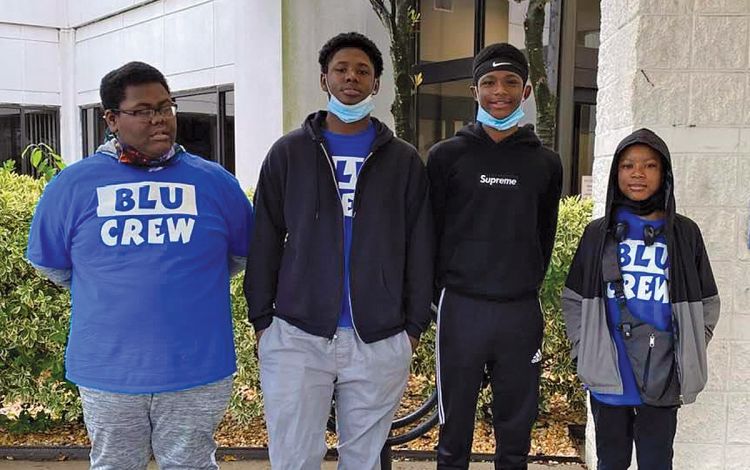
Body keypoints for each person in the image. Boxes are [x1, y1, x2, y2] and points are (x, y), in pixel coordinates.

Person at [26, 61, 253, 470]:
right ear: (111, 118)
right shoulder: (73, 185)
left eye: (166, 107)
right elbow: (54, 266)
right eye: (143, 110)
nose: (159, 119)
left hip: (197, 367)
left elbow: (239, 256)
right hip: (109, 369)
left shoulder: (216, 182)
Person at [245, 32, 434, 470]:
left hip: (380, 336)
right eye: (341, 70)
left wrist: (412, 327)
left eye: (363, 71)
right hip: (296, 333)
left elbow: (421, 244)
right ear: (324, 80)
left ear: (376, 84)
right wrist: (262, 321)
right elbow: (266, 239)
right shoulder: (289, 153)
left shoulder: (404, 161)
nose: (351, 78)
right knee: (294, 456)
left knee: (364, 460)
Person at [427, 43, 563, 469]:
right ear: (474, 90)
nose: (499, 91)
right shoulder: (446, 156)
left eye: (510, 82)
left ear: (525, 92)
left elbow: (545, 233)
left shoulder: (546, 163)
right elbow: (430, 231)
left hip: (519, 311)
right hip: (461, 309)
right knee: (454, 435)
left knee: (516, 432)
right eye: (489, 82)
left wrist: (519, 281)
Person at [562, 128, 721, 470]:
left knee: (657, 462)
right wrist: (583, 350)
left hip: (663, 373)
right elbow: (573, 298)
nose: (638, 173)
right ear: (616, 173)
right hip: (610, 371)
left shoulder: (684, 234)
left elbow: (707, 301)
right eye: (628, 165)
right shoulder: (597, 234)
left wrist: (690, 346)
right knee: (611, 461)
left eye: (649, 165)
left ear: (664, 173)